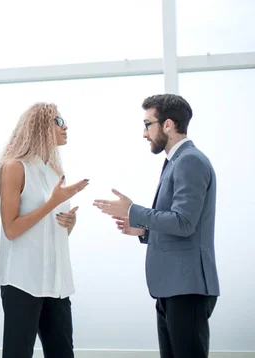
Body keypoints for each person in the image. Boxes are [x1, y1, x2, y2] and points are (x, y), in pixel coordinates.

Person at [93, 94, 219, 358]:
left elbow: (184, 222)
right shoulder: (176, 161)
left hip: (186, 288)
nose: (144, 133)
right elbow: (181, 224)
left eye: (147, 124)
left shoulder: (189, 161)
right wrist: (144, 231)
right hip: (173, 288)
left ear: (168, 125)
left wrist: (133, 210)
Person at [0, 102, 88, 358]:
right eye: (59, 121)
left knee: (62, 353)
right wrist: (52, 204)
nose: (65, 126)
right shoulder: (14, 167)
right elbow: (11, 229)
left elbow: (49, 229)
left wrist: (68, 225)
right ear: (40, 127)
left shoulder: (54, 171)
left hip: (56, 282)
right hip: (23, 281)